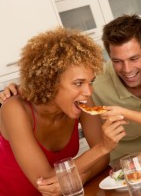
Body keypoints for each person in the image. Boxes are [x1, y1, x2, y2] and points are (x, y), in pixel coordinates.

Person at [0, 14, 141, 163]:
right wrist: (21, 88)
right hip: (120, 168)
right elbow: (56, 83)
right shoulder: (93, 84)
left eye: (134, 59)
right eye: (117, 61)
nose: (127, 69)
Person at [0, 27, 126, 195]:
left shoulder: (82, 102)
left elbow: (103, 159)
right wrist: (103, 146)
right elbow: (44, 180)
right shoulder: (15, 109)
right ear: (50, 83)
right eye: (78, 83)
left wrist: (81, 178)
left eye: (91, 82)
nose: (89, 92)